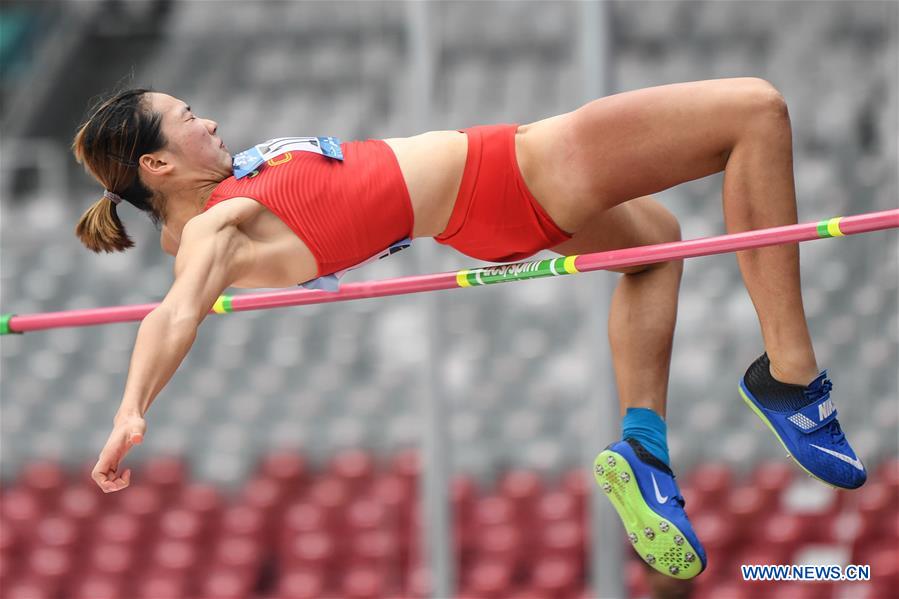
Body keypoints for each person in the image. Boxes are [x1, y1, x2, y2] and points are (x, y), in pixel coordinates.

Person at [72, 78, 866, 580]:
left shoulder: (225, 201)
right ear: (158, 166)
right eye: (185, 119)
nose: (207, 119)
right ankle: (790, 377)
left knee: (654, 249)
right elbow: (175, 311)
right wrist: (130, 409)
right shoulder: (218, 225)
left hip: (478, 215)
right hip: (513, 170)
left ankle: (645, 448)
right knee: (755, 112)